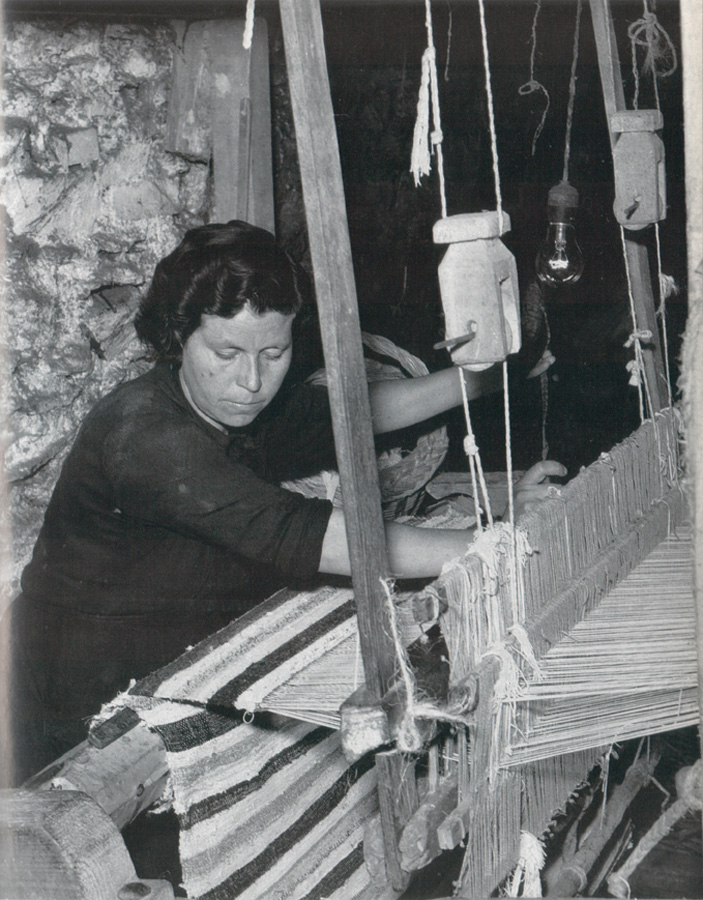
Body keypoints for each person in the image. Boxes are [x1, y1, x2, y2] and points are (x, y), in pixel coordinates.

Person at [3, 220, 564, 786]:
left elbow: (349, 415)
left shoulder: (225, 405)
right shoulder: (147, 439)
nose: (252, 380)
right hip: (78, 701)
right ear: (179, 340)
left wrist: (485, 378)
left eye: (274, 352)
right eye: (226, 353)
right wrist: (504, 538)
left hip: (180, 661)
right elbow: (316, 536)